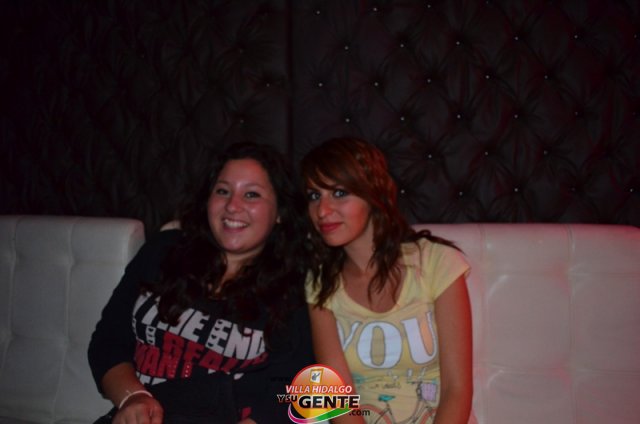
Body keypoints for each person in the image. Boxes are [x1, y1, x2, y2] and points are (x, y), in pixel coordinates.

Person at [88, 142, 315, 424]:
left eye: (252, 194)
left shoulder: (296, 287)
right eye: (222, 191)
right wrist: (133, 397)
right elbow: (107, 342)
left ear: (280, 211)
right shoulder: (163, 250)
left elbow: (305, 386)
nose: (232, 206)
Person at [301, 137, 473, 424]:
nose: (322, 210)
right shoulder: (320, 283)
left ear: (372, 194)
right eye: (314, 196)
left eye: (339, 193)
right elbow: (337, 400)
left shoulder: (436, 262)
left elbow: (457, 390)